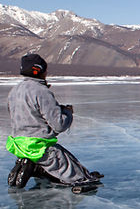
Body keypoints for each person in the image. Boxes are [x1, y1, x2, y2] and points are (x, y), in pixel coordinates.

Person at [6, 54, 102, 191]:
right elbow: (59, 124)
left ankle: (32, 165)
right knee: (83, 180)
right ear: (39, 70)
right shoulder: (41, 91)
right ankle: (37, 166)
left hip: (20, 145)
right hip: (41, 148)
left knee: (63, 168)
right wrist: (68, 112)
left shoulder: (14, 91)